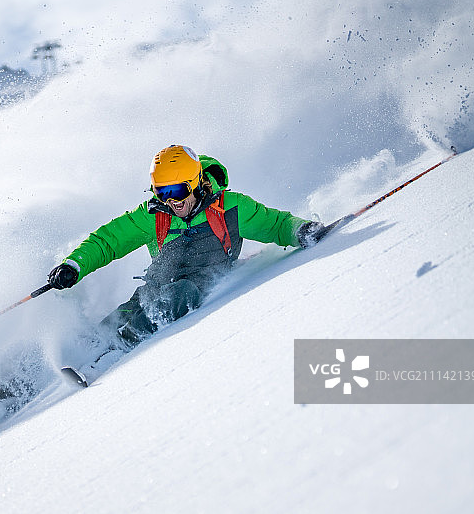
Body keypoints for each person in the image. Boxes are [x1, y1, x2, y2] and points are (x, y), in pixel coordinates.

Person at [48, 145, 329, 363]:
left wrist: (300, 230)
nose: (171, 201)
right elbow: (108, 240)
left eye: (178, 190)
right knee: (115, 322)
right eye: (162, 193)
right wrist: (74, 265)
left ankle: (114, 355)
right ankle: (80, 357)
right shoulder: (153, 215)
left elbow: (275, 224)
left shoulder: (230, 208)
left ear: (194, 182)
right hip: (155, 287)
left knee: (178, 294)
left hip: (197, 285)